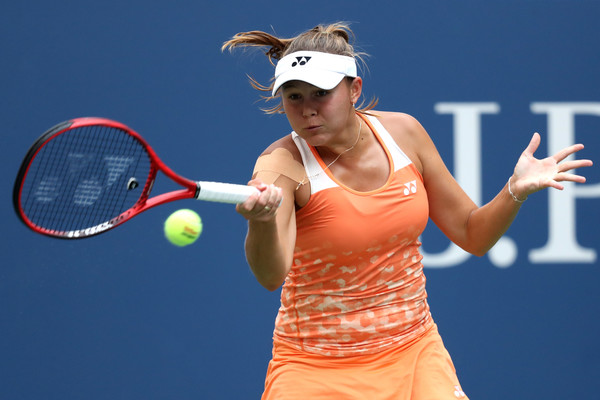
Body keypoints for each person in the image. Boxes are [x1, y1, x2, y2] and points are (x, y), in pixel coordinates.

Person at [222, 23, 593, 400]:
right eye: (294, 96)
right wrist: (262, 222)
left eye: (321, 93)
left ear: (354, 90)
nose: (307, 110)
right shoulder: (280, 165)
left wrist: (514, 190)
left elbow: (472, 234)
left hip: (414, 352)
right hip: (315, 369)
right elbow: (270, 276)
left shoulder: (404, 134)